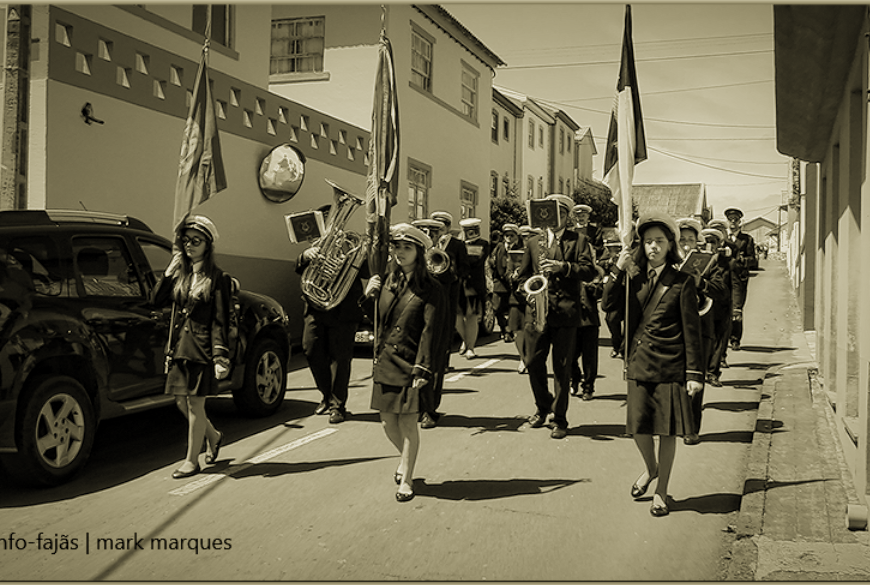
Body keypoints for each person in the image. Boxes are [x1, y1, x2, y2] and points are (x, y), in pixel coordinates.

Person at [601, 212, 704, 516]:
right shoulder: (632, 277)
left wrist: (694, 374)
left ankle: (662, 491)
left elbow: (691, 331)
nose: (653, 247)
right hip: (639, 361)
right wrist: (617, 271)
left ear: (670, 244)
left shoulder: (683, 281)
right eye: (648, 242)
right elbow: (608, 305)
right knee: (638, 428)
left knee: (667, 432)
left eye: (659, 241)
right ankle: (651, 468)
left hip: (671, 365)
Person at [363, 223, 446, 502]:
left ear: (419, 252)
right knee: (387, 421)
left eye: (407, 247)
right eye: (397, 246)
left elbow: (430, 330)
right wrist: (368, 296)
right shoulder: (388, 279)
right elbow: (377, 319)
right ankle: (405, 460)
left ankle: (407, 478)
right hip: (386, 358)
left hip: (411, 361)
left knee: (409, 423)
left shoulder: (430, 287)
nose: (400, 252)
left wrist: (423, 367)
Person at [152, 215, 230, 479]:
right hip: (179, 347)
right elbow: (156, 300)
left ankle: (191, 461)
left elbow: (221, 319)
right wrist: (168, 273)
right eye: (186, 241)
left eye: (196, 241)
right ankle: (213, 435)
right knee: (180, 402)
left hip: (202, 349)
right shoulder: (181, 275)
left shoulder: (218, 278)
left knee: (195, 405)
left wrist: (220, 356)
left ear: (208, 245)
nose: (189, 245)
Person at [516, 194, 596, 439]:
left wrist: (564, 267)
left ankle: (560, 418)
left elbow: (590, 272)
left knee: (561, 368)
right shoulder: (532, 241)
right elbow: (523, 275)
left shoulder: (579, 240)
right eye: (550, 211)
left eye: (560, 212)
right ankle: (543, 407)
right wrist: (525, 292)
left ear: (566, 215)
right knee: (532, 362)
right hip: (537, 313)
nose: (553, 217)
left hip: (566, 312)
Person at [295, 203, 369, 424]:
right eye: (326, 220)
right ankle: (326, 395)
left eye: (333, 219)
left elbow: (366, 272)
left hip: (344, 309)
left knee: (340, 358)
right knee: (310, 349)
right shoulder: (315, 245)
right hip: (315, 308)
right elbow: (299, 269)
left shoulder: (352, 244)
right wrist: (306, 255)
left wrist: (351, 258)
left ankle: (338, 405)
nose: (331, 224)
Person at [417, 211, 468, 429]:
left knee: (435, 359)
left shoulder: (455, 246)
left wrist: (446, 267)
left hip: (442, 307)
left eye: (436, 229)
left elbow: (462, 273)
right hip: (415, 308)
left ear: (445, 228)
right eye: (427, 229)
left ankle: (430, 408)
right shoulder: (414, 247)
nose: (431, 233)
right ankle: (415, 404)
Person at [569, 206, 603, 401]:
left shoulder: (596, 269)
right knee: (570, 354)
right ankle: (574, 378)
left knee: (590, 356)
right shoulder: (571, 268)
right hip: (571, 314)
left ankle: (589, 386)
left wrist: (594, 287)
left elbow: (601, 290)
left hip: (589, 315)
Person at [698, 226, 732, 390]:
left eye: (713, 241)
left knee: (718, 341)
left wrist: (737, 307)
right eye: (707, 241)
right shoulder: (697, 259)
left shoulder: (724, 260)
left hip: (721, 306)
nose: (710, 244)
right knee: (705, 341)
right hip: (702, 307)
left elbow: (734, 284)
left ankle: (712, 373)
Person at [457, 218, 490, 359]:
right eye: (466, 230)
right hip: (458, 283)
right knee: (457, 316)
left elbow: (476, 260)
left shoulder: (483, 244)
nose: (469, 233)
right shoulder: (458, 244)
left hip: (474, 284)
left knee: (471, 315)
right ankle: (465, 340)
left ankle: (470, 347)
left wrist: (462, 253)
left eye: (472, 230)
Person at [724, 207, 756, 351]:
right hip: (724, 278)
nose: (733, 222)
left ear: (739, 222)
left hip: (739, 278)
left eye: (735, 220)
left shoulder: (747, 239)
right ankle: (724, 339)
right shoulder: (722, 239)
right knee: (723, 309)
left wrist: (743, 261)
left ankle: (735, 339)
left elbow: (753, 260)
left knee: (736, 310)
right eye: (730, 220)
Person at [488, 223, 522, 343]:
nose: (509, 238)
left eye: (511, 235)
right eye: (506, 235)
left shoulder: (520, 247)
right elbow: (491, 261)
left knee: (512, 308)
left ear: (516, 236)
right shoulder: (499, 247)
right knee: (496, 308)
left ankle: (509, 331)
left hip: (514, 283)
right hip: (500, 282)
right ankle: (504, 328)